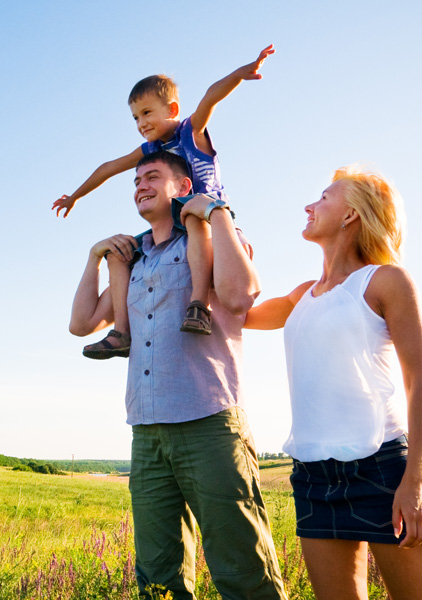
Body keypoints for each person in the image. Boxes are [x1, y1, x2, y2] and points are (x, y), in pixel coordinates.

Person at [69, 151, 287, 599]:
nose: (140, 186)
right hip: (147, 432)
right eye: (135, 181)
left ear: (183, 188)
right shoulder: (135, 260)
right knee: (157, 575)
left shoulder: (211, 237)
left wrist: (217, 213)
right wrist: (94, 258)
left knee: (242, 566)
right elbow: (82, 323)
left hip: (208, 422)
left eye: (152, 176)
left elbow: (240, 294)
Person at [242, 165, 422, 600]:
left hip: (384, 468)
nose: (309, 206)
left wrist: (414, 480)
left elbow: (420, 382)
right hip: (313, 477)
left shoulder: (385, 281)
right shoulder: (302, 295)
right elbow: (234, 313)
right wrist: (222, 232)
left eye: (322, 198)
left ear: (352, 214)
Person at [56, 44, 275, 359]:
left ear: (171, 110)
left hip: (206, 214)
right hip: (173, 223)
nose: (141, 123)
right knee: (121, 253)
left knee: (191, 216)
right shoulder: (150, 150)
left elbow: (210, 97)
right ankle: (122, 332)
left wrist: (240, 74)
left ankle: (198, 304)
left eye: (146, 113)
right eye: (135, 118)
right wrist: (75, 195)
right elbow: (108, 168)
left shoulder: (190, 131)